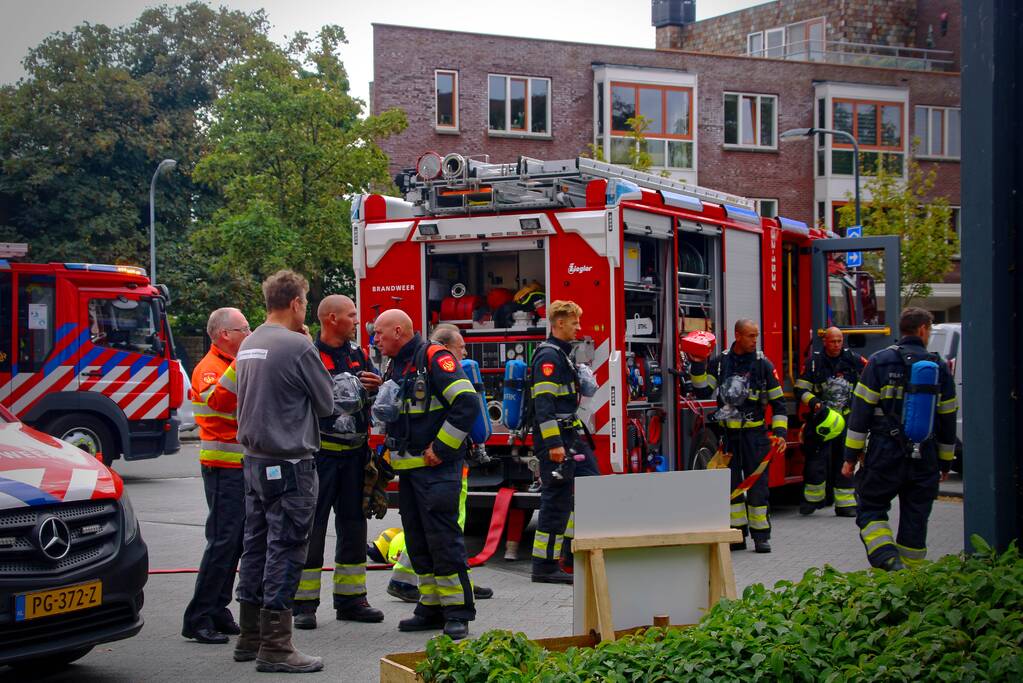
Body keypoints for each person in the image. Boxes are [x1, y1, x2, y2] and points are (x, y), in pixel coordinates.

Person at [209, 270, 333, 674]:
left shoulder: (249, 344)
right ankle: (277, 647)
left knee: (257, 545)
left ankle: (249, 636)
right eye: (305, 304)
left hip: (254, 463)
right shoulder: (297, 346)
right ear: (297, 303)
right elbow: (327, 402)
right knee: (287, 548)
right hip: (291, 464)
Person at [374, 309, 479, 640]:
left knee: (443, 541)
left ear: (400, 330)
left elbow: (466, 403)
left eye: (380, 333)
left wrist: (442, 448)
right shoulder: (398, 365)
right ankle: (431, 607)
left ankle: (457, 612)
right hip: (411, 473)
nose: (375, 339)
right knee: (419, 542)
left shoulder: (434, 356)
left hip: (437, 470)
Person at [841, 307, 958, 571]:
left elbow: (860, 413)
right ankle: (909, 582)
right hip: (924, 454)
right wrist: (944, 463)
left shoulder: (879, 362)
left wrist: (850, 457)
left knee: (870, 508)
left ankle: (889, 561)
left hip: (885, 451)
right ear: (923, 330)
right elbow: (948, 418)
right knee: (916, 520)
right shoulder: (938, 366)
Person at [292, 295, 384, 629]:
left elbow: (375, 393)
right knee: (312, 528)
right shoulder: (309, 354)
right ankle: (303, 604)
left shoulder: (358, 354)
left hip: (356, 457)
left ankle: (351, 600)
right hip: (321, 456)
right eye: (352, 315)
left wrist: (378, 386)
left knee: (354, 526)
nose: (358, 321)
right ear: (332, 318)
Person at [181, 307, 251, 644]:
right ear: (225, 334)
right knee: (223, 542)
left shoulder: (225, 365)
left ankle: (218, 608)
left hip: (237, 468)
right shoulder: (210, 369)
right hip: (223, 469)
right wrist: (243, 362)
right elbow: (220, 403)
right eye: (244, 329)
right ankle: (198, 617)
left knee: (235, 542)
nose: (249, 335)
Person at [689, 319, 787, 554]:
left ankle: (761, 536)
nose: (755, 340)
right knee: (730, 486)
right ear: (737, 335)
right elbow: (702, 389)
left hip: (756, 436)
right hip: (728, 437)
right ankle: (737, 535)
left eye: (756, 335)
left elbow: (779, 404)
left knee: (758, 488)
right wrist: (698, 365)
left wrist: (780, 433)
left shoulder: (763, 365)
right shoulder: (721, 363)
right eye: (750, 336)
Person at [530, 300, 600, 584]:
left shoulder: (562, 354)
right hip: (556, 440)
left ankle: (571, 552)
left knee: (590, 486)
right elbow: (543, 405)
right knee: (556, 501)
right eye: (574, 323)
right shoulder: (549, 357)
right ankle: (544, 566)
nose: (578, 328)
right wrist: (554, 444)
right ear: (559, 323)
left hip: (571, 436)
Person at [794, 327, 867, 517]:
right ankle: (812, 500)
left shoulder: (854, 360)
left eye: (839, 341)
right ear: (825, 341)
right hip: (821, 421)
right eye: (832, 341)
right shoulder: (814, 363)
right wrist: (815, 403)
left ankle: (845, 504)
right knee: (816, 462)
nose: (836, 345)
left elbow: (869, 382)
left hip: (846, 420)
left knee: (844, 460)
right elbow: (800, 389)